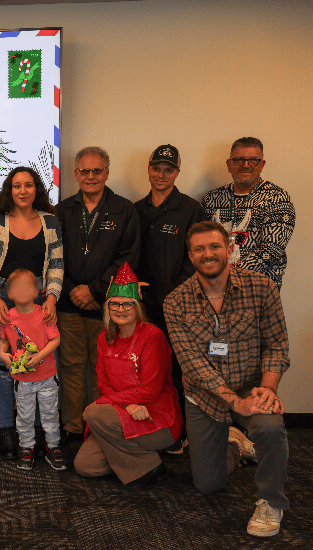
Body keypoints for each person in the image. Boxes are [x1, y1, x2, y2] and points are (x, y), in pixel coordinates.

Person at [164, 221, 290, 537]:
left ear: (229, 249)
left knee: (271, 426)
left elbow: (277, 344)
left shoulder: (263, 288)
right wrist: (235, 402)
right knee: (207, 485)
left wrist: (267, 389)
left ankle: (271, 501)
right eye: (200, 249)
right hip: (204, 396)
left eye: (215, 246)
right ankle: (235, 443)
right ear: (190, 256)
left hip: (252, 384)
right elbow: (191, 363)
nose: (208, 254)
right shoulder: (175, 302)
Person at [53, 146, 140, 446]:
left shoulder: (124, 209)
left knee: (104, 368)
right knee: (71, 365)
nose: (91, 176)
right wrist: (72, 291)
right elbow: (53, 257)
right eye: (85, 171)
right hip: (68, 304)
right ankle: (73, 425)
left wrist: (93, 290)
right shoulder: (61, 211)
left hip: (107, 305)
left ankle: (98, 426)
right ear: (75, 175)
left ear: (107, 173)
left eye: (97, 170)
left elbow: (128, 258)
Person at [0, 166, 63, 459]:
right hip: (1, 298)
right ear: (9, 190)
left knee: (41, 364)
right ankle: (8, 432)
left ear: (36, 189)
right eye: (17, 186)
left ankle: (40, 433)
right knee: (6, 367)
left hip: (39, 301)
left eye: (28, 185)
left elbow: (56, 264)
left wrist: (51, 297)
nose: (23, 191)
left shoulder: (50, 221)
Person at [74, 263, 182, 489]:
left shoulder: (153, 336)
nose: (120, 309)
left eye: (127, 304)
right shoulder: (104, 337)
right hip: (121, 414)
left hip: (155, 415)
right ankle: (148, 463)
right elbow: (103, 384)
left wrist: (110, 405)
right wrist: (127, 407)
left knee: (94, 412)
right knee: (86, 466)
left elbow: (151, 390)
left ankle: (138, 462)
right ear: (107, 307)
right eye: (114, 304)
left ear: (137, 307)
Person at [134, 144, 208, 451]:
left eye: (168, 169)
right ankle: (155, 429)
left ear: (177, 172)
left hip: (180, 309)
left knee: (179, 371)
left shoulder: (191, 209)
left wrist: (174, 296)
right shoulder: (136, 210)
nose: (161, 175)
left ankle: (180, 432)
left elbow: (198, 258)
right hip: (142, 309)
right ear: (149, 169)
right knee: (148, 371)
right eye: (156, 168)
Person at [201, 137, 295, 289]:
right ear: (229, 164)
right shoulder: (212, 198)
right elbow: (200, 241)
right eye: (239, 160)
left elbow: (271, 249)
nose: (246, 165)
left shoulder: (277, 198)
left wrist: (226, 276)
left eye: (253, 160)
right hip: (215, 289)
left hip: (259, 291)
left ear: (262, 164)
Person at [0, 269, 63, 471]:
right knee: (24, 416)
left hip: (47, 377)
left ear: (37, 290)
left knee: (50, 413)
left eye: (28, 286)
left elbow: (56, 339)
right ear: (9, 293)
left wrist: (40, 356)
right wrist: (2, 354)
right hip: (23, 379)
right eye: (18, 287)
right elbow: (3, 341)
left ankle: (53, 446)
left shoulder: (44, 314)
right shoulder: (8, 318)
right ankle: (27, 447)